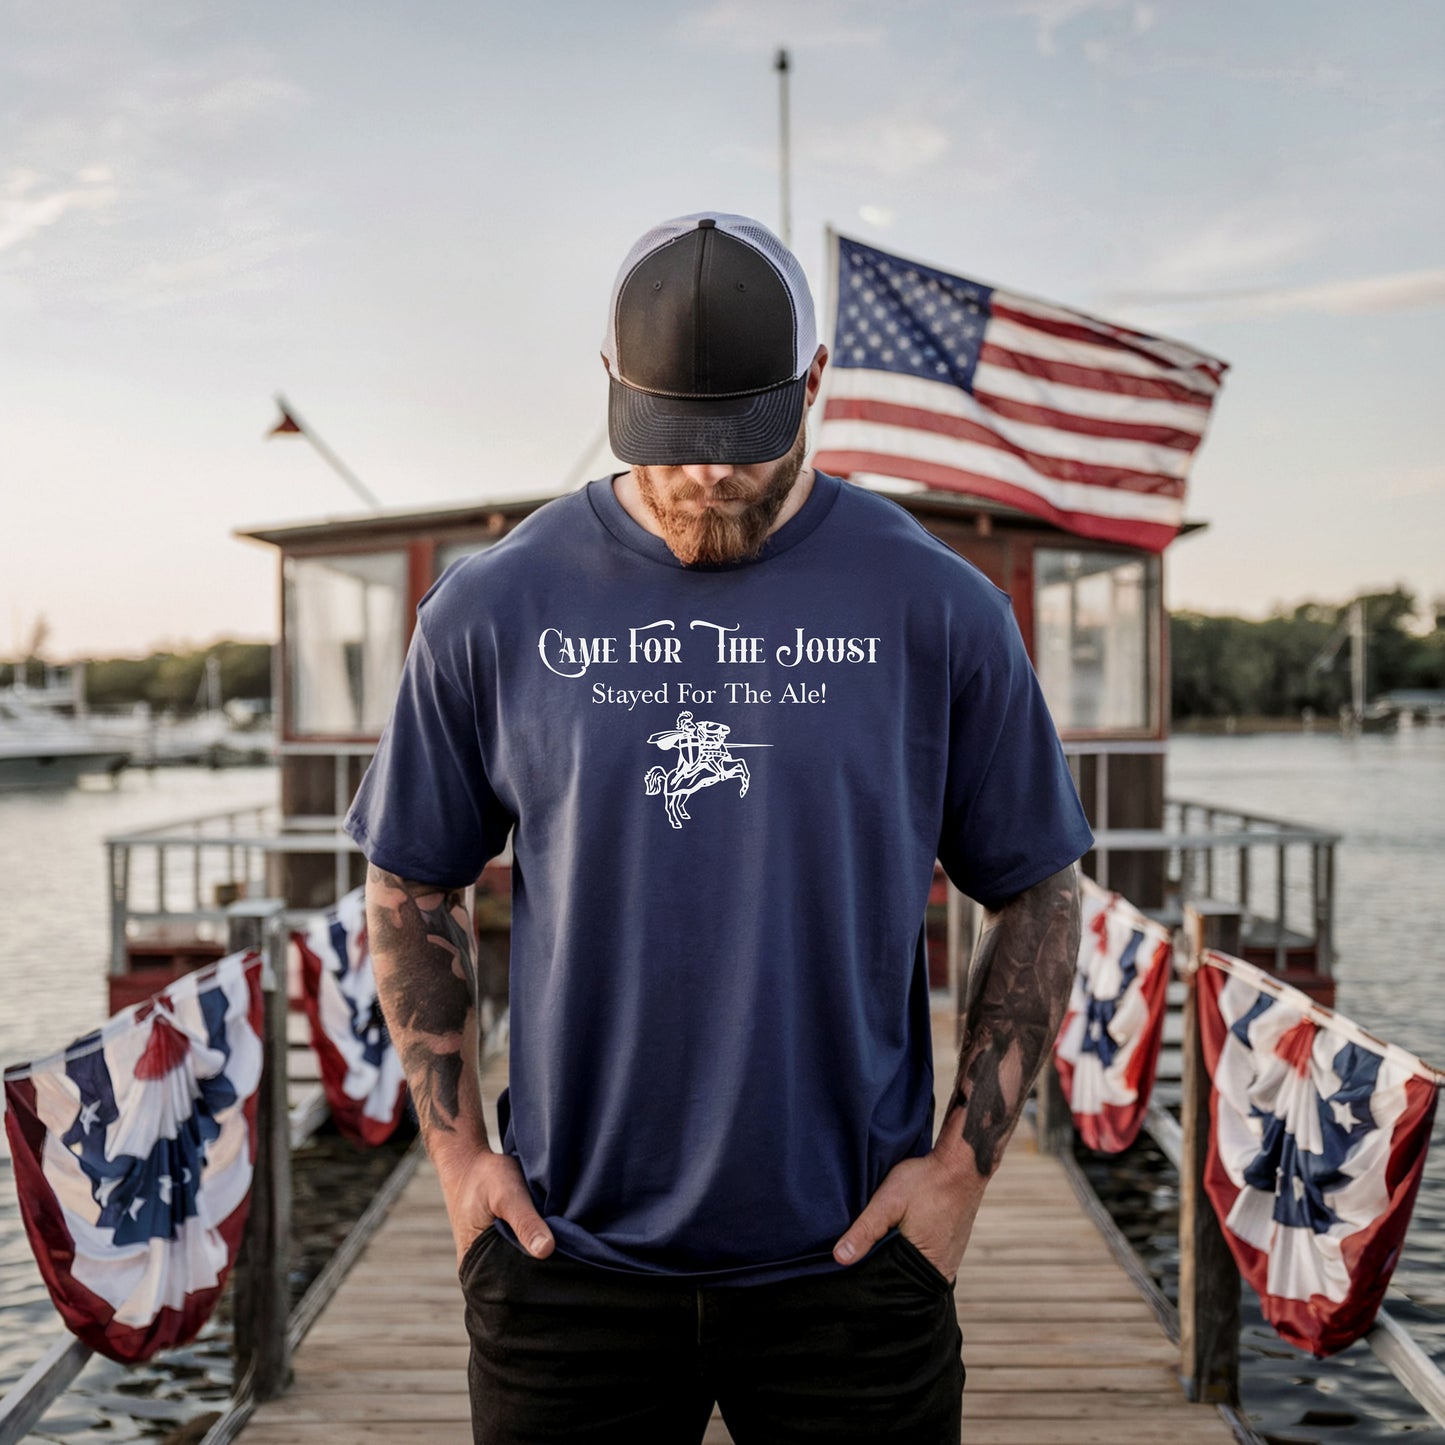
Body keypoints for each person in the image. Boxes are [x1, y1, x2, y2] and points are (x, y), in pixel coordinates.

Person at [346, 211, 1092, 1444]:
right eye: (672, 443)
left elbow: (1038, 887)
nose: (704, 478)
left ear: (810, 385)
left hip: (850, 1276)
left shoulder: (937, 607)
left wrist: (958, 1174)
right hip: (563, 1269)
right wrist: (457, 1160)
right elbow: (410, 880)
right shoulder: (490, 607)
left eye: (741, 442)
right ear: (609, 387)